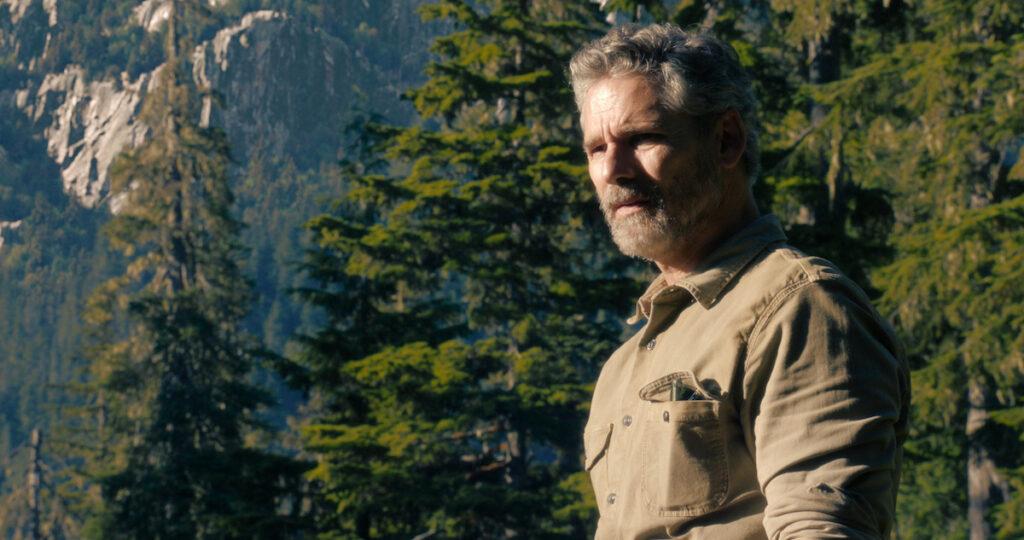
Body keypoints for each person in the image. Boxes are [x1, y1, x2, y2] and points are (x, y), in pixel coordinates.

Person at [570, 24, 910, 539]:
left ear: (726, 140)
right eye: (597, 148)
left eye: (642, 138)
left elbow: (820, 526)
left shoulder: (801, 309)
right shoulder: (625, 363)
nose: (613, 169)